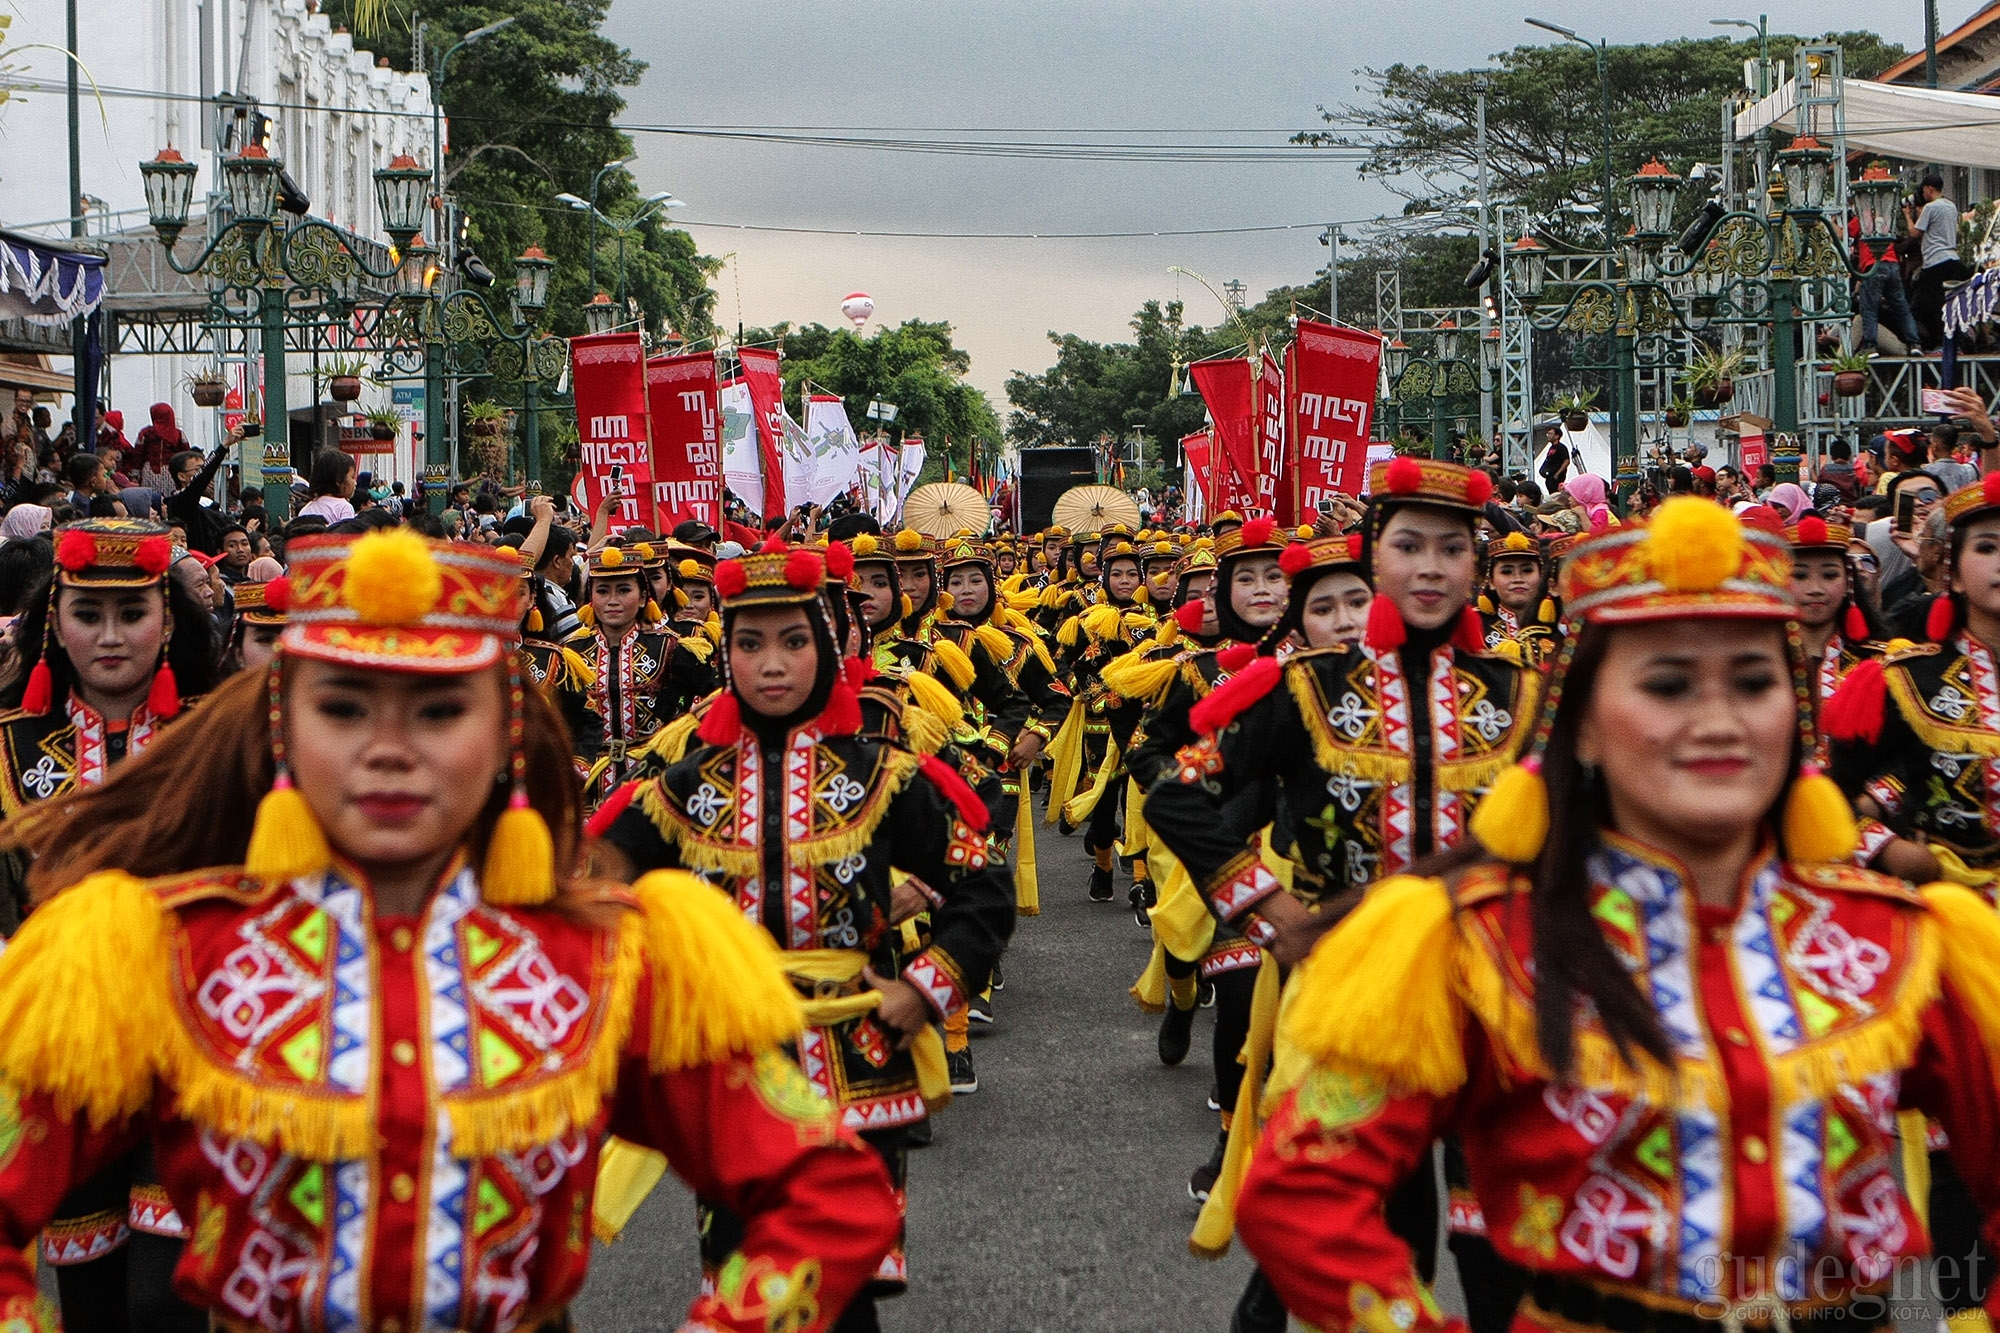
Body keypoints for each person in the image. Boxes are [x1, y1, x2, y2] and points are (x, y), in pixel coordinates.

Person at [0, 527, 900, 1333]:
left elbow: (831, 1190)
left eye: (438, 711)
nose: (389, 748)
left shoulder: (613, 958)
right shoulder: (160, 953)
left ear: (507, 728)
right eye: (344, 708)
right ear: (284, 724)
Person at [1234, 497, 2000, 1333]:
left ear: (1796, 714)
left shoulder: (1900, 937)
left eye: (1754, 682)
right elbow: (1303, 1190)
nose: (1719, 720)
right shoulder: (1475, 944)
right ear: (1586, 725)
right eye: (1667, 683)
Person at [1147, 460, 1538, 1333]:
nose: (1431, 567)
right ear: (1376, 563)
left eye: (1451, 548)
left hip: (1497, 995)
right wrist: (1265, 905)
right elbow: (1179, 791)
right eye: (1409, 547)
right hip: (1360, 993)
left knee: (1500, 1243)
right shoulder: (1305, 690)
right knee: (1382, 1232)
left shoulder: (1522, 697)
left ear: (1476, 565)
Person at [593, 538, 1015, 1332]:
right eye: (750, 644)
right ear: (727, 659)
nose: (773, 664)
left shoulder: (886, 774)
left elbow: (981, 878)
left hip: (855, 1055)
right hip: (736, 1071)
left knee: (845, 1287)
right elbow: (589, 888)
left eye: (793, 640)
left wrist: (926, 985)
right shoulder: (684, 788)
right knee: (745, 1278)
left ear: (825, 644)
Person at [568, 541, 716, 806]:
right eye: (603, 591)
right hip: (589, 781)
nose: (612, 601)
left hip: (655, 777)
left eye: (624, 590)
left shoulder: (672, 647)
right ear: (591, 599)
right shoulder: (571, 653)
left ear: (643, 598)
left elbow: (710, 703)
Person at [1910, 171, 1970, 349]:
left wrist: (1908, 215)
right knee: (1950, 303)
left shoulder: (1930, 208)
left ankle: (1943, 344)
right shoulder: (1951, 206)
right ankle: (1955, 342)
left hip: (1935, 262)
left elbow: (1914, 233)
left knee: (1935, 305)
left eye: (1923, 191)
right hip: (1952, 259)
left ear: (1929, 189)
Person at [1479, 530, 1558, 665]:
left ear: (1541, 576)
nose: (1518, 579)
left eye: (1527, 570)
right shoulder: (1476, 626)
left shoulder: (1559, 628)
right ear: (1491, 581)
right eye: (1507, 572)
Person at [297, 447, 358, 524]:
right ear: (338, 480)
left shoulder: (306, 510)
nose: (355, 482)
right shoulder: (344, 508)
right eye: (352, 477)